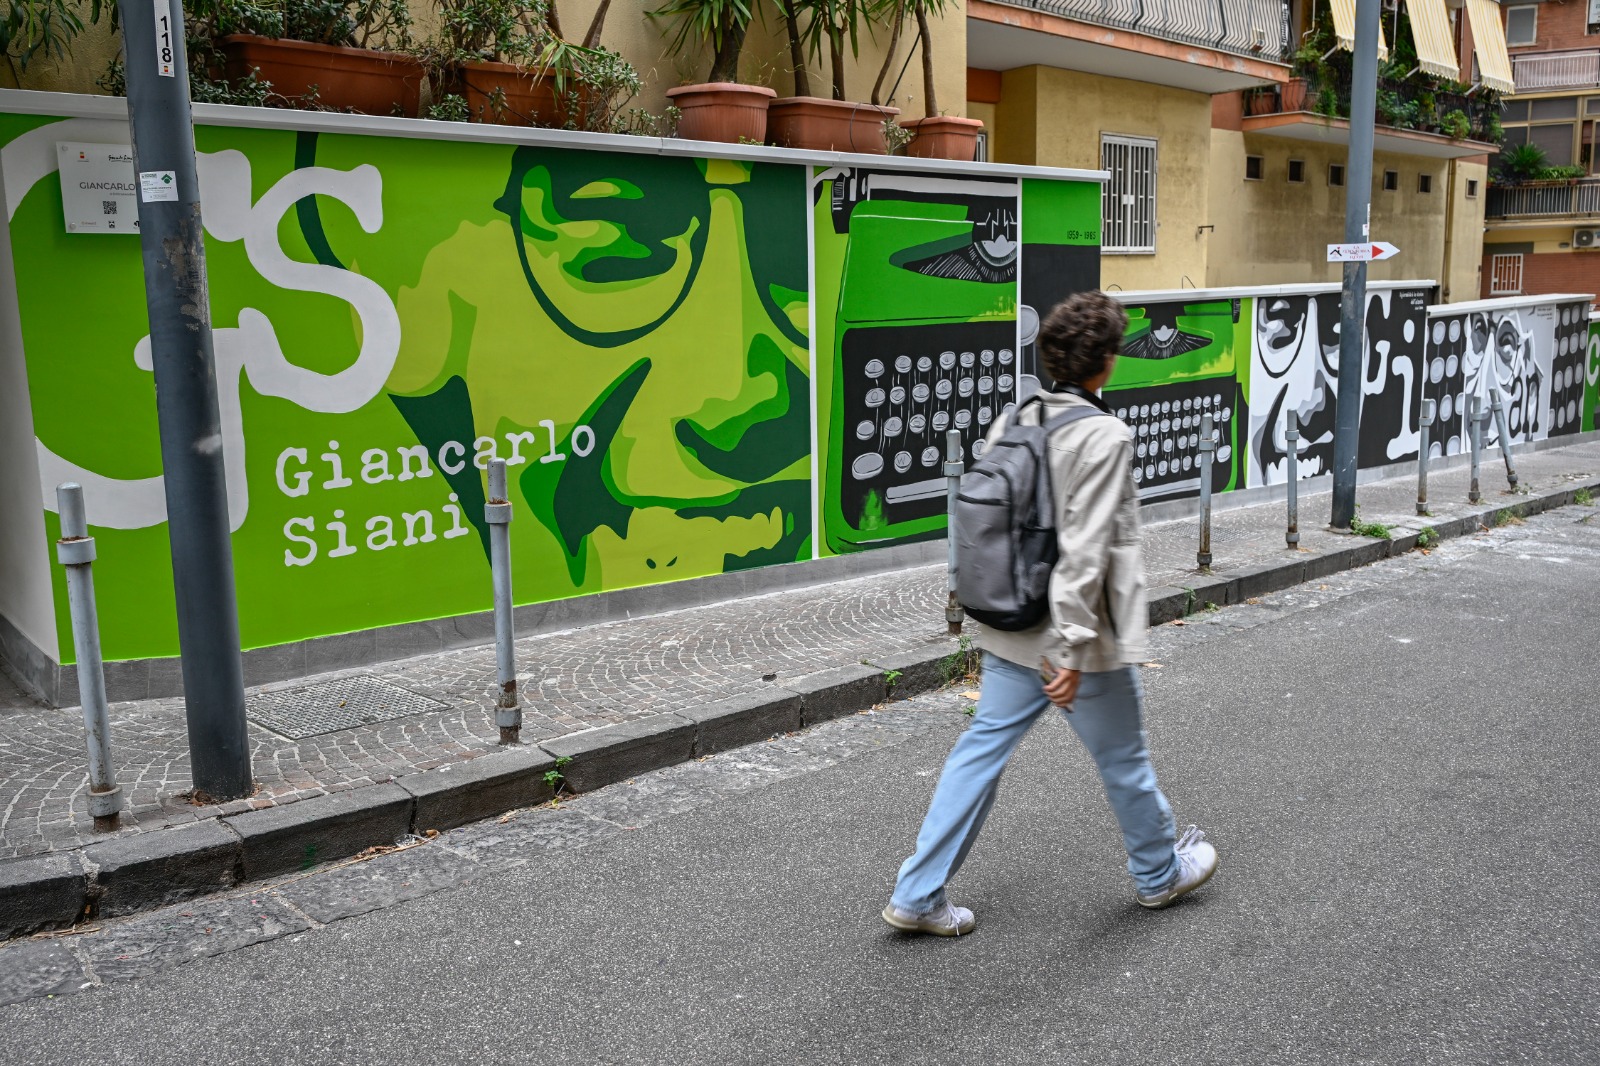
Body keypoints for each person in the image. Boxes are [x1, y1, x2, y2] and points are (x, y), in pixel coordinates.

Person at [882, 289, 1218, 937]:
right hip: (1077, 640)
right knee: (1124, 759)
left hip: (1011, 622)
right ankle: (1158, 873)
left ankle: (917, 894)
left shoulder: (1017, 417)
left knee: (979, 753)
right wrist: (1068, 647)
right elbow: (1087, 550)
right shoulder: (1104, 435)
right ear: (1108, 361)